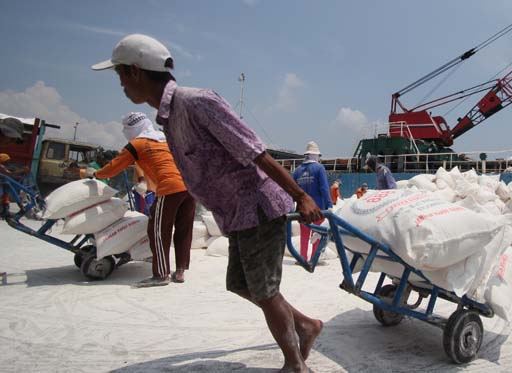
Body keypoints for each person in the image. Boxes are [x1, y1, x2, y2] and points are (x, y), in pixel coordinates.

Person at [92, 34, 323, 373]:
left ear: (136, 71)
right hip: (235, 214)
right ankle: (305, 325)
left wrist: (301, 196)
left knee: (264, 289)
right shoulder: (169, 119)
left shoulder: (197, 102)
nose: (122, 85)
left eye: (121, 75)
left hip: (257, 206)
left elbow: (255, 151)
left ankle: (295, 365)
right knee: (242, 285)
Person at [86, 112, 195, 287]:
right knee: (184, 229)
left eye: (126, 129)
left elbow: (115, 166)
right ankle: (180, 270)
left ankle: (161, 274)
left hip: (170, 187)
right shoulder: (165, 139)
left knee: (158, 231)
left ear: (133, 128)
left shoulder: (136, 144)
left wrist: (96, 173)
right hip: (190, 186)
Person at [292, 141, 332, 261]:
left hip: (302, 209)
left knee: (304, 235)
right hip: (317, 208)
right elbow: (324, 188)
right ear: (315, 155)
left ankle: (302, 257)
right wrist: (329, 204)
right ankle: (314, 258)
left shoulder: (297, 170)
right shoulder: (319, 168)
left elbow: (292, 190)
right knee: (317, 235)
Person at [0, 153, 28, 218]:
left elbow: (9, 174)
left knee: (7, 195)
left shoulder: (4, 166)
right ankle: (21, 207)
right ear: (3, 160)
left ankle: (5, 211)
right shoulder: (1, 166)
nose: (8, 162)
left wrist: (19, 175)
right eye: (7, 160)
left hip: (3, 183)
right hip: (1, 184)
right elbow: (9, 174)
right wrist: (22, 170)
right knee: (2, 194)